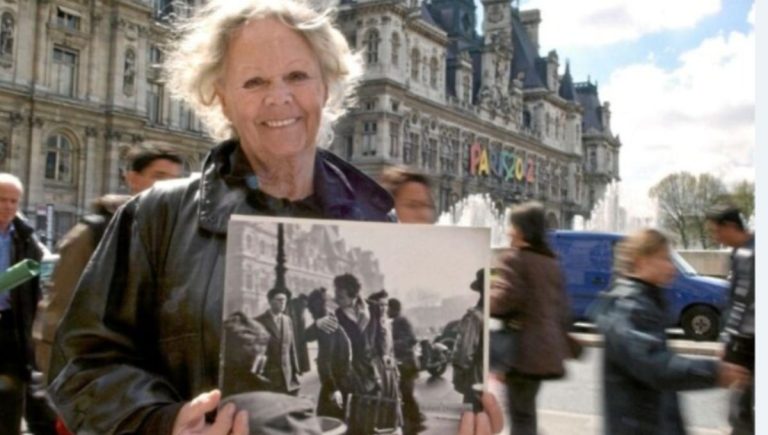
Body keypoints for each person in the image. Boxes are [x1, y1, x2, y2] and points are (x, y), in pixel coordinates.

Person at [46, 1, 394, 433]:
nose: (279, 97)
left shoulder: (378, 227)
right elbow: (82, 365)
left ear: (327, 85)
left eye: (298, 76)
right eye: (254, 81)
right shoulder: (157, 216)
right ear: (221, 98)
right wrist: (163, 422)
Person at [34, 146, 183, 380]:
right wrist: (64, 380)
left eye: (175, 180)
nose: (168, 187)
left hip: (156, 378)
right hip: (101, 378)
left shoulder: (176, 234)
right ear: (132, 179)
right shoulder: (94, 233)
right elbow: (58, 312)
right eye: (159, 177)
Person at [594, 228, 750, 435]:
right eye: (665, 259)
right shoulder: (629, 306)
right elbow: (653, 365)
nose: (672, 267)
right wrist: (714, 372)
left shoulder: (645, 299)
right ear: (642, 261)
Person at [489, 202, 574, 435]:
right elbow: (564, 309)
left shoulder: (515, 259)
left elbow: (504, 300)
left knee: (520, 414)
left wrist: (485, 299)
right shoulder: (551, 262)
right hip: (546, 350)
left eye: (511, 225)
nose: (507, 231)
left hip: (521, 351)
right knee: (526, 411)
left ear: (520, 229)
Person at [0, 173, 57, 435]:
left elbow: (46, 265)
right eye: (3, 200)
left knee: (12, 398)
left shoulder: (24, 235)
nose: (9, 206)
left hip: (11, 325)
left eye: (14, 201)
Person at [705, 205, 755, 435]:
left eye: (717, 231)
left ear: (731, 226)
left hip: (748, 340)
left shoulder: (748, 254)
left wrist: (727, 339)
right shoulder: (742, 251)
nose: (715, 237)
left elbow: (741, 301)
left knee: (741, 406)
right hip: (745, 338)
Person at [305, 287, 350, 420]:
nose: (332, 302)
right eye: (327, 300)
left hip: (341, 382)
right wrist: (333, 389)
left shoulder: (331, 321)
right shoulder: (327, 325)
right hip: (337, 384)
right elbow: (325, 361)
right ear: (321, 305)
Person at [365, 289, 402, 432]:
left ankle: (390, 429)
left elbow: (391, 349)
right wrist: (374, 372)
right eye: (380, 305)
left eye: (386, 305)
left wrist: (396, 369)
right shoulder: (370, 323)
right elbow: (368, 350)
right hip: (378, 367)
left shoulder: (387, 323)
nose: (384, 308)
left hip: (389, 367)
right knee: (379, 403)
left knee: (393, 402)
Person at [255, 287, 300, 395]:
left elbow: (291, 347)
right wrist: (257, 374)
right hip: (269, 375)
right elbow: (257, 352)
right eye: (279, 300)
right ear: (270, 301)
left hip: (288, 374)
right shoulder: (259, 321)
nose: (283, 303)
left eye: (284, 300)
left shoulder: (287, 320)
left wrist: (296, 369)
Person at [388, 297, 423, 435]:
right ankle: (413, 420)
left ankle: (416, 421)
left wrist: (391, 344)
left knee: (407, 393)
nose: (386, 311)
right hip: (405, 364)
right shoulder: (397, 321)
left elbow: (410, 340)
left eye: (388, 308)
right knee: (404, 393)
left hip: (407, 364)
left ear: (394, 309)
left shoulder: (401, 321)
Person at [453, 269, 484, 407]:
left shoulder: (474, 317)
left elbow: (464, 355)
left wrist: (459, 378)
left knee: (472, 421)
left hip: (477, 381)